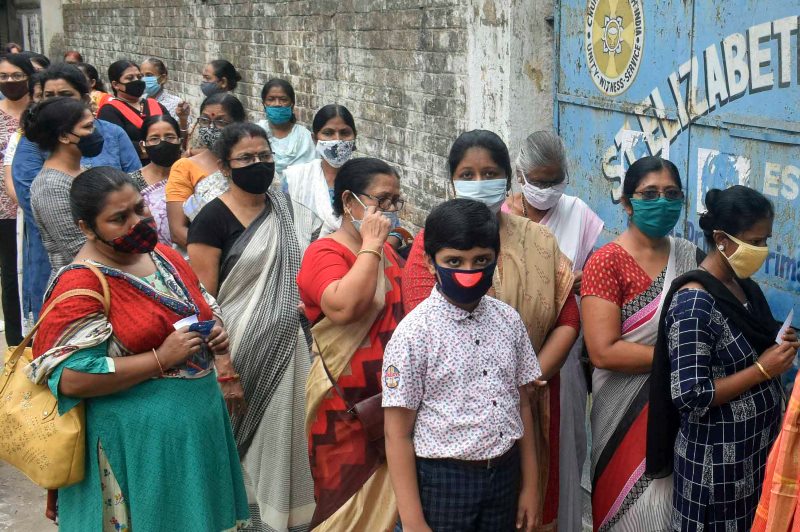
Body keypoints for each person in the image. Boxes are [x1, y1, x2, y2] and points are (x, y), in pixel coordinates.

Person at [26, 166, 249, 530]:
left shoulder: (163, 254)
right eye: (119, 218)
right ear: (87, 228)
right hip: (137, 446)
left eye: (139, 209)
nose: (136, 222)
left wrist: (217, 332)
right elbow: (71, 377)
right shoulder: (81, 284)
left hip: (194, 433)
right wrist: (161, 358)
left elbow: (203, 300)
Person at [401, 130, 578, 529]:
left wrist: (530, 379)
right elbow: (426, 323)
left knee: (527, 508)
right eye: (468, 173)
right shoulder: (432, 244)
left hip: (530, 402)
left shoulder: (538, 239)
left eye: (490, 172)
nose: (480, 182)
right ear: (451, 180)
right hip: (449, 435)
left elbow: (568, 316)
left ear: (508, 177)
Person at [384, 198, 541, 532]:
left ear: (496, 260)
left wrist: (530, 487)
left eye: (481, 260)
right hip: (443, 480)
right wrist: (412, 520)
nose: (469, 272)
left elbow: (522, 404)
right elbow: (396, 433)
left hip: (504, 474)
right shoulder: (414, 335)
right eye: (454, 261)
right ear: (430, 263)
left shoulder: (509, 321)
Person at [188, 123, 315, 531]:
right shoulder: (211, 219)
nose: (258, 164)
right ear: (225, 167)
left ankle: (288, 522)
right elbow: (203, 299)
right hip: (239, 355)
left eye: (264, 156)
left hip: (294, 352)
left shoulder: (289, 209)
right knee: (246, 446)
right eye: (246, 158)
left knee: (289, 441)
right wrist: (223, 366)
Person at [646, 186, 796, 530]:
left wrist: (778, 341)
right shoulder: (694, 302)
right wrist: (762, 369)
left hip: (750, 460)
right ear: (721, 239)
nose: (762, 251)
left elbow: (755, 337)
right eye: (754, 242)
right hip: (715, 471)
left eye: (765, 241)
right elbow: (690, 395)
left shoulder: (744, 287)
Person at [581, 156, 702, 531]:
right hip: (619, 419)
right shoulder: (606, 263)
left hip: (676, 415)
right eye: (650, 194)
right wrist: (678, 360)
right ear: (628, 202)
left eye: (671, 194)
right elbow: (604, 351)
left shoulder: (690, 256)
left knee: (667, 510)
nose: (662, 202)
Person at [297, 157, 404, 530]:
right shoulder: (325, 252)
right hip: (341, 407)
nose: (389, 212)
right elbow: (344, 307)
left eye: (395, 202)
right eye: (381, 201)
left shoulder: (389, 253)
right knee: (344, 509)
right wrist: (371, 246)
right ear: (348, 201)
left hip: (388, 402)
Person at [504, 130, 604, 530]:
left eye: (554, 180)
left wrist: (578, 281)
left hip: (563, 351)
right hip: (511, 351)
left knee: (564, 446)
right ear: (520, 175)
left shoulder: (578, 213)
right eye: (539, 181)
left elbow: (595, 276)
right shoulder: (502, 216)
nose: (547, 189)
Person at [24, 97, 98, 281]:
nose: (94, 133)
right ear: (64, 136)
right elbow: (77, 250)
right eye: (87, 127)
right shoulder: (50, 187)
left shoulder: (83, 170)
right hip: (81, 285)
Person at [165, 93, 246, 247]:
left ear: (239, 124)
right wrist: (221, 254)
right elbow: (177, 231)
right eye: (204, 120)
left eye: (220, 122)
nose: (210, 128)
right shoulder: (185, 167)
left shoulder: (253, 163)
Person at [283, 104, 357, 242]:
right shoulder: (296, 178)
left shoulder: (368, 178)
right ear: (314, 139)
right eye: (328, 133)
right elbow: (285, 228)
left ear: (354, 137)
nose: (337, 140)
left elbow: (390, 228)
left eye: (344, 133)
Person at [0, 53, 34, 345]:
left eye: (16, 75)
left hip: (41, 205)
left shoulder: (41, 112)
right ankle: (15, 340)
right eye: (4, 77)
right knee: (12, 273)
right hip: (5, 208)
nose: (10, 81)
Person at [97, 60, 168, 162]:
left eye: (139, 77)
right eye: (130, 78)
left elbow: (173, 134)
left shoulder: (154, 104)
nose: (137, 81)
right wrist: (161, 147)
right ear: (116, 84)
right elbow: (117, 146)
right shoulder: (109, 111)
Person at [129, 115, 183, 245]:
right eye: (154, 139)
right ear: (143, 146)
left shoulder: (191, 175)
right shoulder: (131, 183)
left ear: (179, 141)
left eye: (170, 137)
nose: (163, 142)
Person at [255, 78, 315, 180]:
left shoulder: (304, 136)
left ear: (292, 104)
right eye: (271, 99)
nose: (277, 104)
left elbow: (312, 172)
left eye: (283, 99)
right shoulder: (256, 133)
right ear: (264, 104)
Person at [140, 57, 191, 132]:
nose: (144, 79)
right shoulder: (140, 100)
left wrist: (183, 119)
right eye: (141, 76)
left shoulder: (175, 103)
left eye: (149, 75)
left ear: (163, 78)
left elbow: (183, 134)